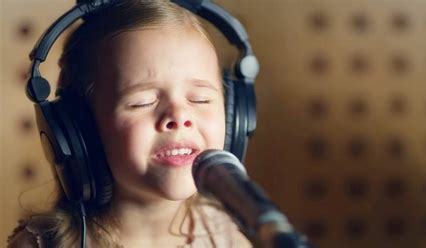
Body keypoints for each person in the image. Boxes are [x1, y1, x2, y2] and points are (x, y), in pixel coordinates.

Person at [8, 0, 253, 247]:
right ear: (82, 129)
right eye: (142, 102)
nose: (179, 116)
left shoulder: (227, 239)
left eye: (200, 99)